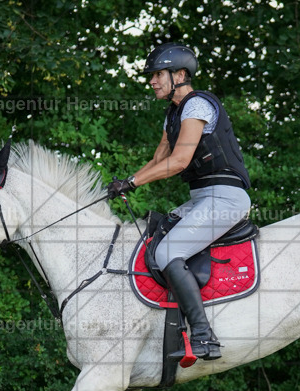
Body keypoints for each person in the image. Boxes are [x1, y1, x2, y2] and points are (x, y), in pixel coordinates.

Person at [107, 42, 252, 361]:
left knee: (169, 250)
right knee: (154, 235)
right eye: (152, 76)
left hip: (226, 197)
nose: (152, 81)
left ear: (181, 75)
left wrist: (134, 182)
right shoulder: (173, 113)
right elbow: (160, 156)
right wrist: (127, 182)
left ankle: (203, 336)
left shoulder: (196, 106)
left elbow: (181, 160)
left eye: (158, 74)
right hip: (201, 198)